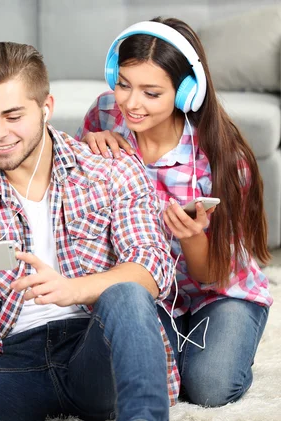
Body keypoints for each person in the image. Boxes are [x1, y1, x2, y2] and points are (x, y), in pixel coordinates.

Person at [0, 41, 177, 421]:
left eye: (12, 116)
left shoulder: (109, 169)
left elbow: (153, 269)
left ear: (46, 107)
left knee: (127, 294)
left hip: (95, 352)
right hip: (15, 364)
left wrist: (72, 289)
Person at [77, 17, 272, 407]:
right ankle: (180, 336)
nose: (131, 103)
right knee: (126, 384)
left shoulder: (223, 159)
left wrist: (192, 236)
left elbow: (212, 273)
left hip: (216, 290)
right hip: (151, 290)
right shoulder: (104, 114)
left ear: (185, 94)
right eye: (124, 84)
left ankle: (226, 338)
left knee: (210, 387)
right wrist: (87, 143)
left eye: (151, 93)